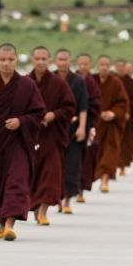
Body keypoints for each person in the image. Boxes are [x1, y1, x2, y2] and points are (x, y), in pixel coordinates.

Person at [0, 44, 44, 240]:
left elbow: (38, 113)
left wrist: (21, 121)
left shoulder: (27, 85)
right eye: (2, 60)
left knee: (17, 180)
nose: (6, 64)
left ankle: (11, 224)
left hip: (19, 141)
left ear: (16, 61)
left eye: (10, 60)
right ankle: (2, 223)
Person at [27, 47, 75, 225]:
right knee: (32, 175)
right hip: (30, 137)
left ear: (49, 61)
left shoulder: (59, 84)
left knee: (50, 175)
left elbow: (70, 107)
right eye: (37, 58)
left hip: (52, 138)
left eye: (44, 59)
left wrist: (53, 115)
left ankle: (44, 211)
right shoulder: (25, 82)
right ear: (32, 59)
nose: (40, 62)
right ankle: (36, 205)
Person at [54, 49, 88, 215]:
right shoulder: (50, 79)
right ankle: (57, 199)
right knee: (53, 167)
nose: (63, 63)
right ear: (55, 61)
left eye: (65, 60)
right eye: (60, 60)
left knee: (72, 165)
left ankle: (67, 200)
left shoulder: (78, 81)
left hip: (73, 128)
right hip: (53, 129)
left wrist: (82, 127)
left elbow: (83, 107)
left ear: (70, 61)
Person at [93, 56, 128, 194]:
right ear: (97, 65)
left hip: (111, 125)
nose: (104, 67)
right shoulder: (91, 80)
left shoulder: (116, 82)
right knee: (94, 153)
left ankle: (105, 179)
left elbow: (123, 103)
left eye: (107, 65)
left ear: (110, 66)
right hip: (94, 123)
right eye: (101, 64)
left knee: (110, 152)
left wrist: (113, 113)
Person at [76, 53, 100, 203]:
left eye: (86, 64)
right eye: (81, 64)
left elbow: (97, 102)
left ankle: (80, 190)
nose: (83, 67)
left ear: (90, 65)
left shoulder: (92, 82)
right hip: (68, 124)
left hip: (88, 123)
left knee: (85, 157)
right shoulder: (72, 80)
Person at [116, 60, 133, 176]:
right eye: (119, 66)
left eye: (123, 66)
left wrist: (130, 112)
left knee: (125, 143)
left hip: (127, 118)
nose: (121, 69)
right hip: (113, 118)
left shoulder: (132, 83)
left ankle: (122, 166)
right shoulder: (112, 80)